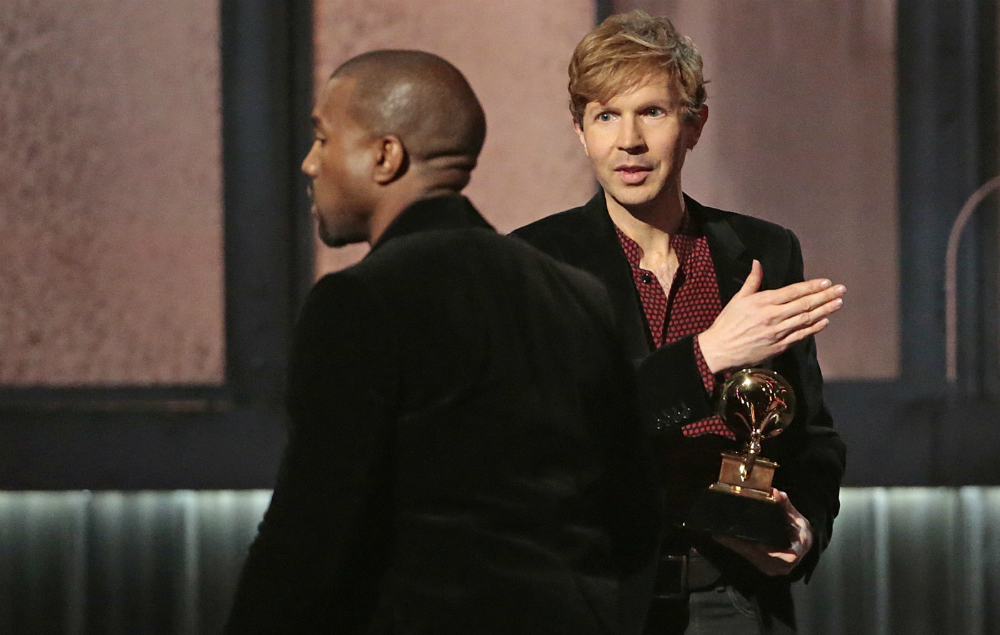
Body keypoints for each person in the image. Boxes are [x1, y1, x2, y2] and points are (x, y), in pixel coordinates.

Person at [224, 49, 662, 635]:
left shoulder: (359, 301)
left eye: (322, 139)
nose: (308, 164)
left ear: (386, 156)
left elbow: (310, 535)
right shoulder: (579, 295)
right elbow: (633, 516)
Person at [514, 11, 847, 635]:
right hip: (598, 602)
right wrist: (707, 355)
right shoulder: (535, 262)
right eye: (605, 116)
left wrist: (805, 529)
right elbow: (555, 434)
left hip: (736, 599)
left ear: (694, 126)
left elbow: (813, 435)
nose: (628, 141)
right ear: (581, 132)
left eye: (653, 113)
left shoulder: (762, 251)